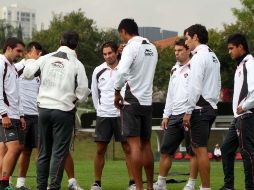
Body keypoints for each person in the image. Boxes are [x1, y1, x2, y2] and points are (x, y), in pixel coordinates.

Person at [23, 30, 90, 190]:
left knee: (44, 152)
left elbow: (27, 74)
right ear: (77, 45)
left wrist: (32, 61)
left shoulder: (46, 58)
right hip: (63, 110)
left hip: (44, 109)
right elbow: (82, 91)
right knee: (59, 152)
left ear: (60, 42)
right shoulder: (77, 64)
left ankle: (40, 187)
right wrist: (75, 99)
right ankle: (53, 187)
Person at [114, 18, 158, 190]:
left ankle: (138, 187)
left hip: (132, 99)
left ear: (124, 31)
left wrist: (117, 92)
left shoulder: (130, 47)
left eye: (121, 35)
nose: (122, 38)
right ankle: (149, 186)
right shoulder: (152, 47)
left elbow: (122, 71)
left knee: (134, 145)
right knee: (146, 143)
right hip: (147, 100)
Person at [153, 38, 198, 190]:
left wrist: (189, 112)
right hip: (174, 116)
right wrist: (166, 115)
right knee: (166, 150)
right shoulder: (174, 69)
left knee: (193, 152)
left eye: (180, 50)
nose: (176, 53)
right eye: (175, 51)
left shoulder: (195, 67)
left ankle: (191, 184)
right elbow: (170, 95)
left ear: (188, 50)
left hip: (189, 115)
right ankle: (161, 183)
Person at [90, 41, 133, 190]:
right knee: (100, 150)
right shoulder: (98, 70)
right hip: (104, 115)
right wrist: (100, 110)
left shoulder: (125, 69)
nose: (107, 56)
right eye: (105, 54)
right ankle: (97, 183)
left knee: (128, 149)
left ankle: (133, 182)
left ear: (116, 53)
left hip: (122, 114)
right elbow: (94, 93)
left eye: (110, 53)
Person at [183, 24, 221, 190]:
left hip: (200, 108)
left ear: (195, 37)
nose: (186, 42)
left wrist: (188, 111)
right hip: (210, 106)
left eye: (187, 38)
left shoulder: (198, 57)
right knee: (200, 148)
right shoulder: (214, 56)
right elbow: (218, 83)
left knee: (200, 149)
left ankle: (206, 187)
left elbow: (195, 87)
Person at [220, 33, 254, 190]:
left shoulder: (250, 63)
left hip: (247, 115)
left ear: (241, 47)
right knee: (226, 148)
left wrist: (245, 105)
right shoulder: (240, 66)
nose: (229, 52)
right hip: (238, 117)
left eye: (231, 48)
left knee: (247, 152)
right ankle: (228, 186)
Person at [14, 42, 43, 190]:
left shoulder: (39, 70)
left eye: (40, 53)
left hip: (38, 115)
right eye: (36, 52)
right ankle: (19, 183)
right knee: (22, 150)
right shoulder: (17, 68)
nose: (39, 56)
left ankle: (41, 184)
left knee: (40, 150)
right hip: (22, 115)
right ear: (28, 53)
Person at [0, 37, 26, 190]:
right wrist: (3, 114)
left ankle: (2, 183)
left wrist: (21, 115)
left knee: (7, 150)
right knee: (14, 148)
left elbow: (17, 94)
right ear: (9, 48)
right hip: (5, 115)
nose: (20, 54)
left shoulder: (13, 67)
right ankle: (4, 183)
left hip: (15, 115)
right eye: (18, 50)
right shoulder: (1, 63)